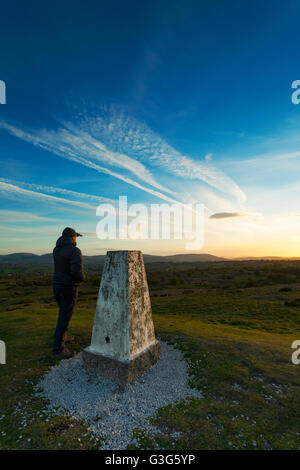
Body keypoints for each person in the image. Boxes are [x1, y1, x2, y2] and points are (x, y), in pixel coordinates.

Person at [52, 227, 86, 359]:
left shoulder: (56, 249)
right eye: (75, 237)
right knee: (64, 317)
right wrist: (83, 278)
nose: (76, 239)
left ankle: (63, 337)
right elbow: (76, 273)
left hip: (57, 285)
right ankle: (58, 350)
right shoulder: (75, 251)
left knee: (63, 313)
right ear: (72, 237)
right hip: (68, 287)